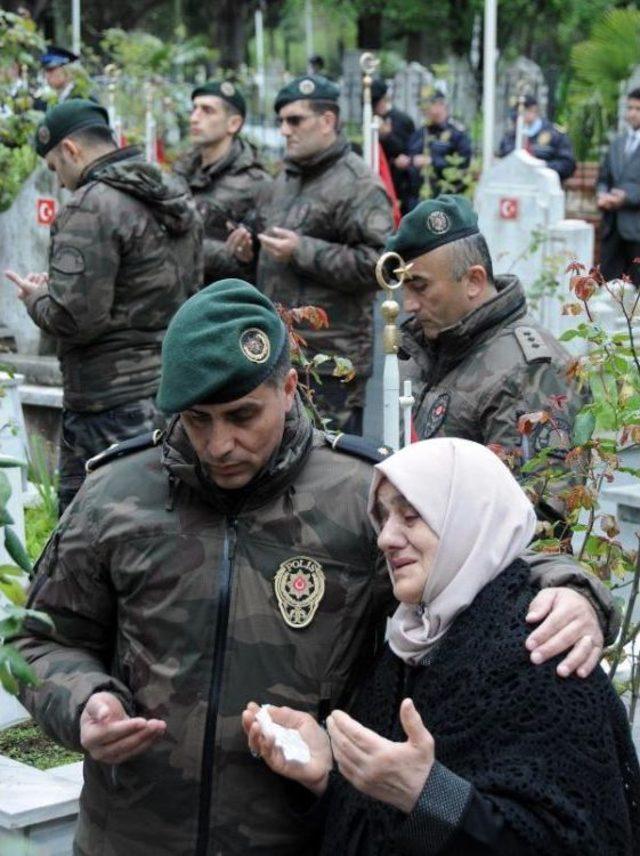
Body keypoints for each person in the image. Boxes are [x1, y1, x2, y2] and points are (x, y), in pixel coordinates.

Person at [14, 280, 615, 856]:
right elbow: (37, 636)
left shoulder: (358, 495)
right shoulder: (116, 495)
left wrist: (574, 589)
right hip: (131, 837)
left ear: (289, 387)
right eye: (197, 420)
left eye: (242, 416)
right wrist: (82, 700)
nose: (220, 444)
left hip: (297, 835)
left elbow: (477, 557)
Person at [244, 437, 640, 855]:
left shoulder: (542, 648)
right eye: (383, 517)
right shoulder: (413, 641)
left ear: (468, 520)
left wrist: (429, 795)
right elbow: (381, 819)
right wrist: (330, 772)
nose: (386, 538)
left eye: (411, 516)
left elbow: (580, 841)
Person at [4, 100, 203, 512]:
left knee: (92, 532)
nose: (58, 183)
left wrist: (36, 297)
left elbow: (76, 319)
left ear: (72, 150)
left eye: (56, 167)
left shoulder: (91, 206)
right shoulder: (168, 192)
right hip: (169, 387)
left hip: (106, 401)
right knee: (156, 521)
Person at [387, 194, 587, 524]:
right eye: (404, 288)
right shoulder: (432, 345)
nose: (408, 305)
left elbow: (536, 517)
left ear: (474, 281)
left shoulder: (532, 371)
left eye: (419, 286)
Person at [227, 75, 395, 434]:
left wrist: (303, 250)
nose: (285, 131)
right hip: (277, 354)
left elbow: (379, 265)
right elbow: (263, 239)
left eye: (295, 120)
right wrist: (247, 249)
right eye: (281, 122)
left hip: (331, 364)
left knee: (329, 469)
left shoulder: (359, 184)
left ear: (328, 121)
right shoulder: (283, 179)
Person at [173, 80, 272, 283]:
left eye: (207, 111)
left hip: (222, 304)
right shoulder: (180, 173)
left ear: (233, 123)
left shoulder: (256, 184)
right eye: (194, 109)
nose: (194, 118)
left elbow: (263, 264)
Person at [596, 87, 640, 287]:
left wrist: (626, 197)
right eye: (630, 108)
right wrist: (602, 195)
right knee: (608, 288)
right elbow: (604, 177)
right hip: (612, 228)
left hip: (636, 229)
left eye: (638, 109)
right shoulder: (617, 143)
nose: (632, 113)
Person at [401, 90, 471, 208]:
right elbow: (410, 154)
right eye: (425, 108)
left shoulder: (456, 133)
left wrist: (432, 161)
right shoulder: (421, 133)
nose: (427, 111)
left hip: (445, 197)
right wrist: (409, 161)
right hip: (417, 198)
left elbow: (463, 164)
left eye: (431, 106)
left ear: (441, 105)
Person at [498, 94, 576, 181]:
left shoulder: (555, 135)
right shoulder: (510, 137)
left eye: (522, 113)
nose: (518, 118)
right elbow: (502, 161)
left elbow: (567, 164)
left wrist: (542, 167)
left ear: (534, 110)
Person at [371, 79, 415, 215]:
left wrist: (388, 135)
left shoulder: (402, 120)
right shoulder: (370, 117)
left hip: (398, 181)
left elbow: (406, 151)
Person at [32, 45, 95, 110]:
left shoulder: (84, 99)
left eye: (51, 70)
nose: (46, 76)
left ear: (68, 71)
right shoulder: (51, 100)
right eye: (45, 71)